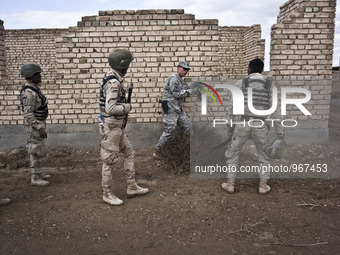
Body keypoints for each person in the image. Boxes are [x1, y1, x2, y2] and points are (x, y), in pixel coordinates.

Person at [221, 58, 284, 195]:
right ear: (261, 70)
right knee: (264, 155)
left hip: (242, 124)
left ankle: (230, 184)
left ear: (249, 69)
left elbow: (232, 107)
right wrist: (280, 131)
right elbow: (275, 110)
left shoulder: (240, 84)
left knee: (233, 153)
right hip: (260, 125)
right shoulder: (269, 85)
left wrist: (230, 126)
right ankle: (263, 186)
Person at [99, 48, 149, 206]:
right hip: (112, 126)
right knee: (109, 160)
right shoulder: (113, 82)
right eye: (127, 64)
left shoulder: (114, 77)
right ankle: (107, 193)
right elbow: (110, 108)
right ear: (122, 64)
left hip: (117, 126)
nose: (128, 67)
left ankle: (131, 186)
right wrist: (128, 108)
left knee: (128, 152)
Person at [153, 61, 196, 159]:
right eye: (184, 69)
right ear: (178, 68)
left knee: (188, 127)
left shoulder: (180, 80)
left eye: (187, 70)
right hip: (171, 110)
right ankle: (157, 151)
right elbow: (177, 94)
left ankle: (183, 147)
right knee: (169, 131)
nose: (186, 71)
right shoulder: (174, 78)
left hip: (178, 110)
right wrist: (190, 91)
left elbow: (186, 89)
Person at [19, 63, 50, 186]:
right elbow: (28, 114)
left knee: (38, 149)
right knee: (35, 150)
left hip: (39, 123)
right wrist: (39, 127)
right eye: (38, 74)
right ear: (31, 76)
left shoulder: (35, 89)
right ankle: (35, 177)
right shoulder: (28, 93)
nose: (40, 76)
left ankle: (38, 173)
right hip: (34, 125)